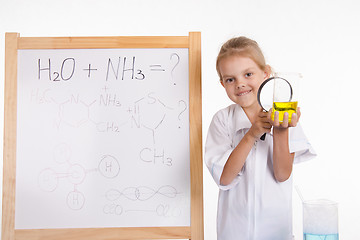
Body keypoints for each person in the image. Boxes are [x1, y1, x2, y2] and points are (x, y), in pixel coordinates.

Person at [205, 36, 316, 240]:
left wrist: (281, 131)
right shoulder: (222, 120)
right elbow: (224, 177)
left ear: (266, 73)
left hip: (276, 233)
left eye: (248, 74)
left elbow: (282, 174)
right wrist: (251, 134)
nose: (240, 84)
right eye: (230, 79)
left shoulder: (285, 115)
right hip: (234, 233)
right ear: (222, 84)